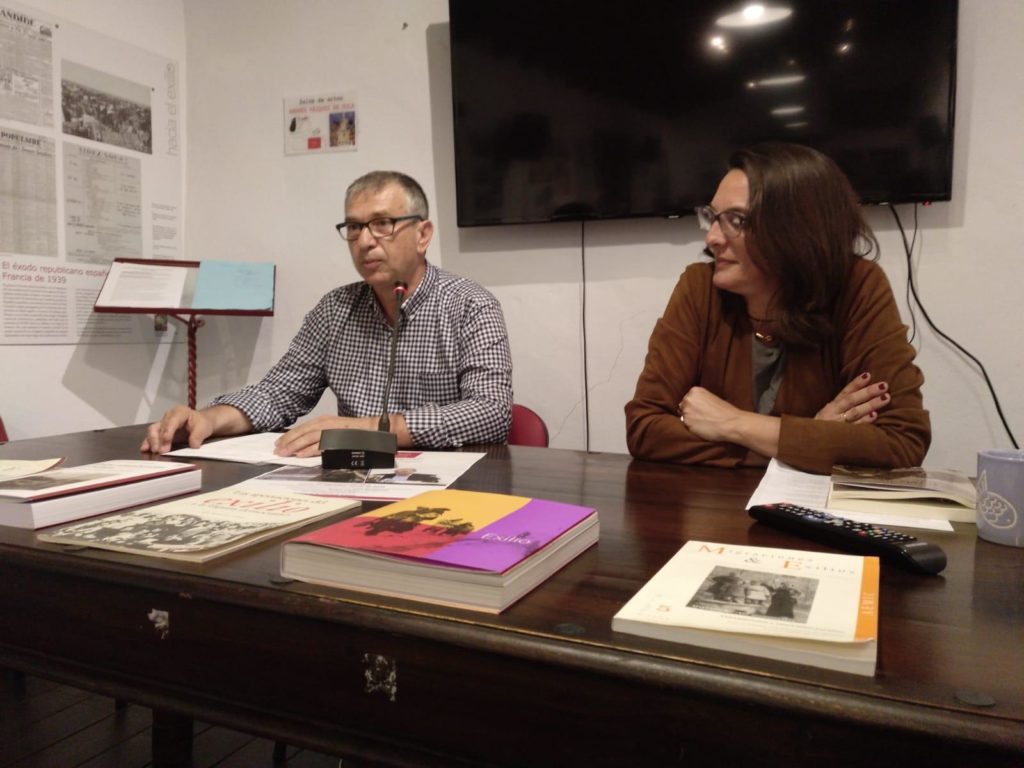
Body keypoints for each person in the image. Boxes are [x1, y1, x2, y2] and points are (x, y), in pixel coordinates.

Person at [142, 171, 513, 456]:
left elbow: (491, 413)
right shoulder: (335, 310)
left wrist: (367, 430)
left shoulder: (470, 305)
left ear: (423, 234)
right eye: (354, 227)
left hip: (447, 491)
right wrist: (208, 418)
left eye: (383, 224)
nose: (365, 241)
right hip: (352, 483)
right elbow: (279, 394)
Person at [625, 143, 930, 474]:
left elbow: (902, 441)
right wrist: (809, 438)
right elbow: (644, 428)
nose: (712, 238)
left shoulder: (858, 286)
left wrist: (734, 423)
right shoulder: (700, 288)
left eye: (736, 220)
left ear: (797, 229)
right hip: (713, 513)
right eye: (713, 217)